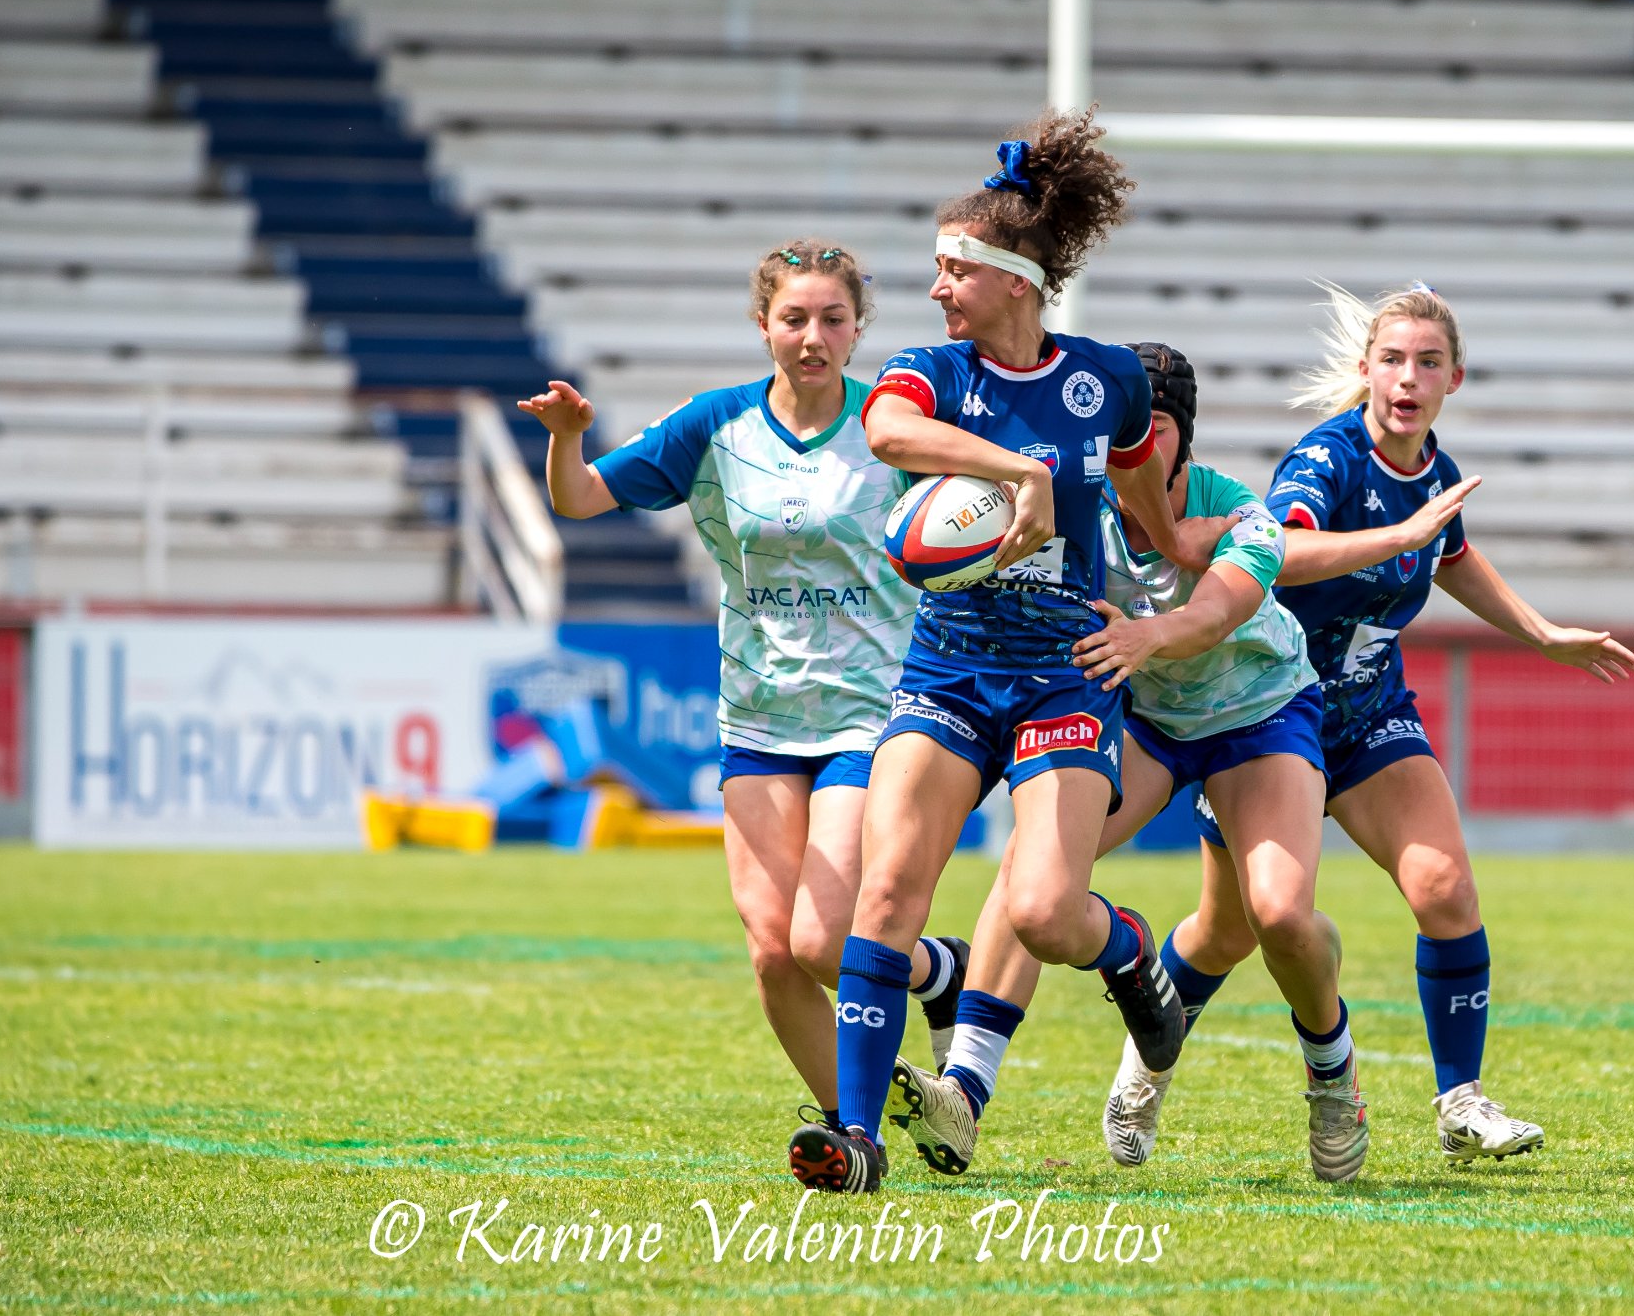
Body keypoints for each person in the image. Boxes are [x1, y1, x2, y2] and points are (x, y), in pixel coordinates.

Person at [1112, 283, 1634, 1166]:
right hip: (1266, 713)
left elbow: (1455, 556)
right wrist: (1402, 536)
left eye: (1427, 363)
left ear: (1454, 379)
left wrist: (1543, 632)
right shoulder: (1328, 461)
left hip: (1366, 714)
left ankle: (1461, 1103)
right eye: (1392, 359)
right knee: (1231, 929)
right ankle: (1146, 1068)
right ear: (1365, 372)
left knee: (1445, 888)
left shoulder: (1431, 472)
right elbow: (1282, 548)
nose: (1408, 376)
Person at [785, 109, 1196, 1195]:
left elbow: (1143, 503)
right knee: (885, 897)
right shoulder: (931, 371)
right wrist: (1019, 473)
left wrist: (1162, 582)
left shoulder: (1104, 378)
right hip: (950, 668)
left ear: (1011, 278)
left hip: (1065, 672)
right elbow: (885, 430)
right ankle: (857, 1134)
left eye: (952, 270)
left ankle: (1127, 955)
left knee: (1047, 912)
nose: (935, 289)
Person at [520, 239, 970, 1163]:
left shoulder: (894, 426)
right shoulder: (716, 425)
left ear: (858, 329)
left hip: (870, 712)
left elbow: (974, 521)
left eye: (833, 319)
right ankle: (869, 1131)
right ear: (763, 324)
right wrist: (567, 435)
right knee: (772, 954)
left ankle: (932, 971)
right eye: (794, 318)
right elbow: (579, 500)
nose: (813, 337)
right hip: (758, 718)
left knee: (820, 939)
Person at [885, 342, 1373, 1184]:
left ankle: (1332, 1072)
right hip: (1147, 714)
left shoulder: (1238, 509)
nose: (1127, 452)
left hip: (1257, 713)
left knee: (1279, 916)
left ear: (1179, 438)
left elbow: (1213, 616)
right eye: (1114, 435)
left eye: (1146, 434)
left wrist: (1148, 630)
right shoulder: (1081, 503)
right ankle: (965, 1088)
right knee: (1034, 871)